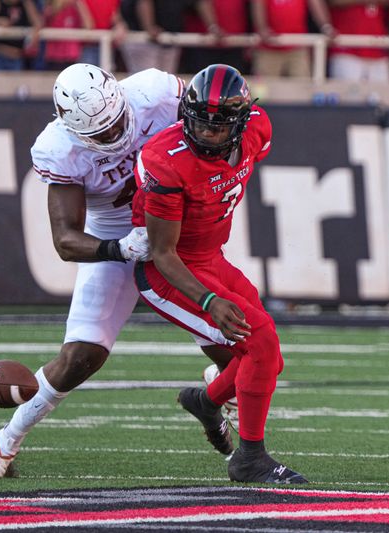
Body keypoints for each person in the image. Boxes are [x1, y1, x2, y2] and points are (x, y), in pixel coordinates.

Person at [0, 63, 232, 478]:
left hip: (177, 224)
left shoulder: (155, 93)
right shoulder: (59, 148)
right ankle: (5, 441)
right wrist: (118, 247)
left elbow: (212, 121)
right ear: (70, 128)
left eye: (116, 125)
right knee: (81, 355)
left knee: (235, 343)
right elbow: (66, 240)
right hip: (114, 233)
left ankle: (215, 394)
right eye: (100, 134)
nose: (113, 137)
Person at [129, 64, 307, 484]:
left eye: (219, 125)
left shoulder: (256, 131)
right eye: (200, 122)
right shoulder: (165, 160)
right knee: (261, 342)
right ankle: (250, 459)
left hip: (211, 256)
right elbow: (162, 252)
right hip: (167, 272)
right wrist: (209, 300)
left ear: (242, 121)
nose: (208, 133)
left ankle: (207, 402)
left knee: (269, 360)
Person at [250, 0, 335, 78]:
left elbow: (316, 4)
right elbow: (257, 4)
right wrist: (262, 28)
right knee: (265, 88)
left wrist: (326, 27)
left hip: (297, 47)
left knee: (301, 86)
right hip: (268, 48)